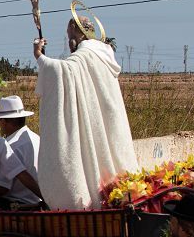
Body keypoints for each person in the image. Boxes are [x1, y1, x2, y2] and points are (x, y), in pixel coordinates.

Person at [33, 13, 138, 209]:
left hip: (95, 124)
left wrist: (40, 57)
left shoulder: (85, 55)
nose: (69, 39)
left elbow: (63, 71)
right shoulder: (103, 54)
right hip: (107, 121)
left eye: (69, 33)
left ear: (77, 32)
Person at [0, 95, 43, 208]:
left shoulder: (10, 146)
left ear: (4, 121)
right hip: (36, 202)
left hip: (15, 204)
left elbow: (1, 187)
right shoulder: (36, 138)